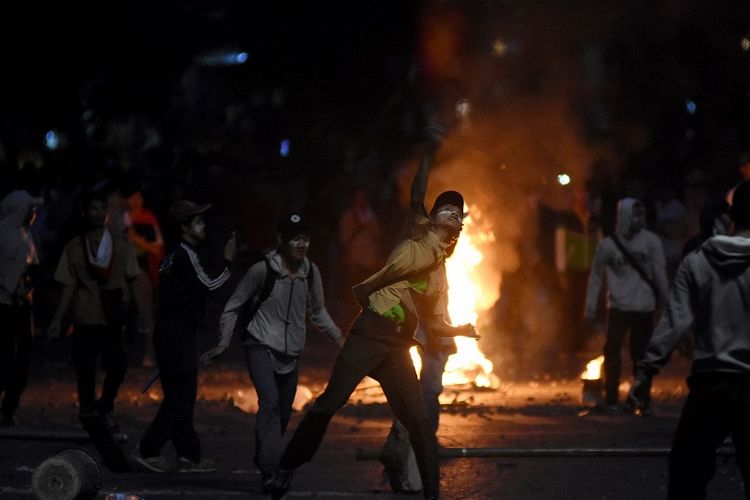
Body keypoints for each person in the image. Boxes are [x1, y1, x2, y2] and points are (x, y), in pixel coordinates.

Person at [268, 122, 477, 500]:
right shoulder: (417, 232)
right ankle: (286, 467)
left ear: (459, 226)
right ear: (432, 217)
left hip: (397, 347)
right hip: (369, 333)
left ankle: (433, 495)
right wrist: (429, 153)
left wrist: (459, 330)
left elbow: (434, 324)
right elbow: (418, 193)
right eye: (445, 208)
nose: (450, 213)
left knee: (418, 420)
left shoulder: (440, 276)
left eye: (455, 212)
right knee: (328, 405)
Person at [201, 212, 344, 490]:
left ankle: (264, 456)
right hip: (260, 344)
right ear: (281, 240)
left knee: (283, 413)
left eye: (305, 239)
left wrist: (340, 338)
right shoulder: (262, 271)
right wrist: (223, 343)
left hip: (292, 353)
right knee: (270, 403)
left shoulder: (310, 272)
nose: (301, 245)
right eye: (295, 239)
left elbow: (318, 312)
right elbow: (233, 306)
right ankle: (271, 472)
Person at [628, 179, 750, 499]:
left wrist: (646, 372)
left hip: (711, 384)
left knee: (687, 476)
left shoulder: (697, 261)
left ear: (732, 216)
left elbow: (674, 321)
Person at [133, 200, 236, 473]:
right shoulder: (184, 254)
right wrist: (227, 262)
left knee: (180, 396)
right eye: (198, 222)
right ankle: (149, 449)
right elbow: (210, 286)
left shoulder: (173, 256)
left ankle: (189, 456)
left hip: (172, 332)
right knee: (181, 398)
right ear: (184, 227)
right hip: (177, 334)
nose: (204, 226)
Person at [48, 192, 145, 430]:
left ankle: (104, 407)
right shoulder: (74, 247)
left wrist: (140, 313)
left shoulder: (121, 245)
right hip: (86, 315)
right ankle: (88, 413)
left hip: (112, 316)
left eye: (102, 208)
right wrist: (58, 319)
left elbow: (133, 280)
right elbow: (68, 285)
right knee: (85, 368)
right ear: (85, 213)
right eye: (93, 209)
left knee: (118, 367)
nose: (99, 213)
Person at [583, 198, 669, 410]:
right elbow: (596, 277)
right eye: (634, 215)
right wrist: (590, 307)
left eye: (641, 215)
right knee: (612, 350)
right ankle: (611, 395)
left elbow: (660, 274)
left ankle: (641, 397)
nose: (638, 219)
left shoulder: (651, 242)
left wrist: (668, 303)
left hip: (644, 307)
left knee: (640, 353)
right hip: (618, 307)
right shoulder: (608, 245)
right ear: (623, 216)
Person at [0, 190, 42, 426]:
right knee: (6, 356)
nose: (33, 214)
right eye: (30, 209)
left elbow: (30, 269)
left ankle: (9, 406)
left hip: (22, 306)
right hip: (5, 306)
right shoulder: (6, 236)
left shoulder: (24, 235)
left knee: (22, 356)